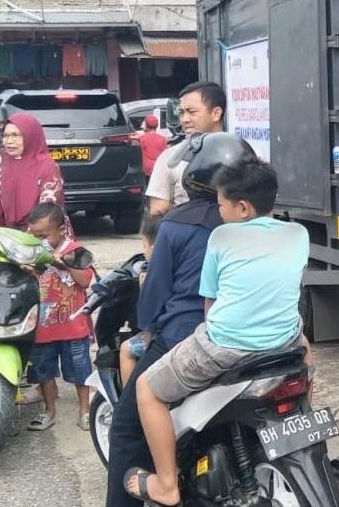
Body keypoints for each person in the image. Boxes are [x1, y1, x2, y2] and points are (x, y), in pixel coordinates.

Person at [124, 158, 309, 505]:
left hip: (227, 346)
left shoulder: (222, 236)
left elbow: (209, 306)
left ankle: (166, 484)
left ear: (242, 207)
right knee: (306, 354)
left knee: (148, 389)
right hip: (285, 341)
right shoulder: (298, 233)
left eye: (221, 205)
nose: (218, 212)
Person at [105, 133, 255, 507]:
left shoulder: (176, 223)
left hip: (186, 337)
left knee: (126, 427)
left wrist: (145, 321)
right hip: (260, 335)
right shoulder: (255, 219)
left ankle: (159, 488)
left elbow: (153, 301)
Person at [25, 203, 95, 431]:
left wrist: (61, 262)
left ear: (61, 230)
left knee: (80, 371)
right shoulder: (32, 251)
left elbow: (85, 281)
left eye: (44, 235)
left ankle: (85, 411)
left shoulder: (76, 250)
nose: (40, 240)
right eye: (35, 236)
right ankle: (49, 411)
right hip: (43, 327)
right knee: (43, 372)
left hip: (73, 327)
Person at [146, 82, 227, 215]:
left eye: (191, 112)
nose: (184, 119)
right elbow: (157, 214)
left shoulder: (241, 154)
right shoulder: (170, 158)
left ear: (216, 113)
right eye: (182, 113)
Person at [0, 113, 70, 234]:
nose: (9, 141)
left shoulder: (47, 167)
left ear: (31, 136)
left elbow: (47, 214)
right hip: (10, 238)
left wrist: (21, 240)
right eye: (5, 136)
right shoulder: (6, 166)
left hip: (43, 237)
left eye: (15, 135)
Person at [119, 213, 162, 387]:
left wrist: (143, 286)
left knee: (126, 349)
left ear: (153, 247)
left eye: (144, 245)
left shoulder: (153, 273)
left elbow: (147, 315)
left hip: (162, 335)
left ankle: (131, 401)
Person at [139, 115, 167, 184]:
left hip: (146, 171)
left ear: (146, 125)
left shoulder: (141, 139)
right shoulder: (163, 139)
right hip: (158, 169)